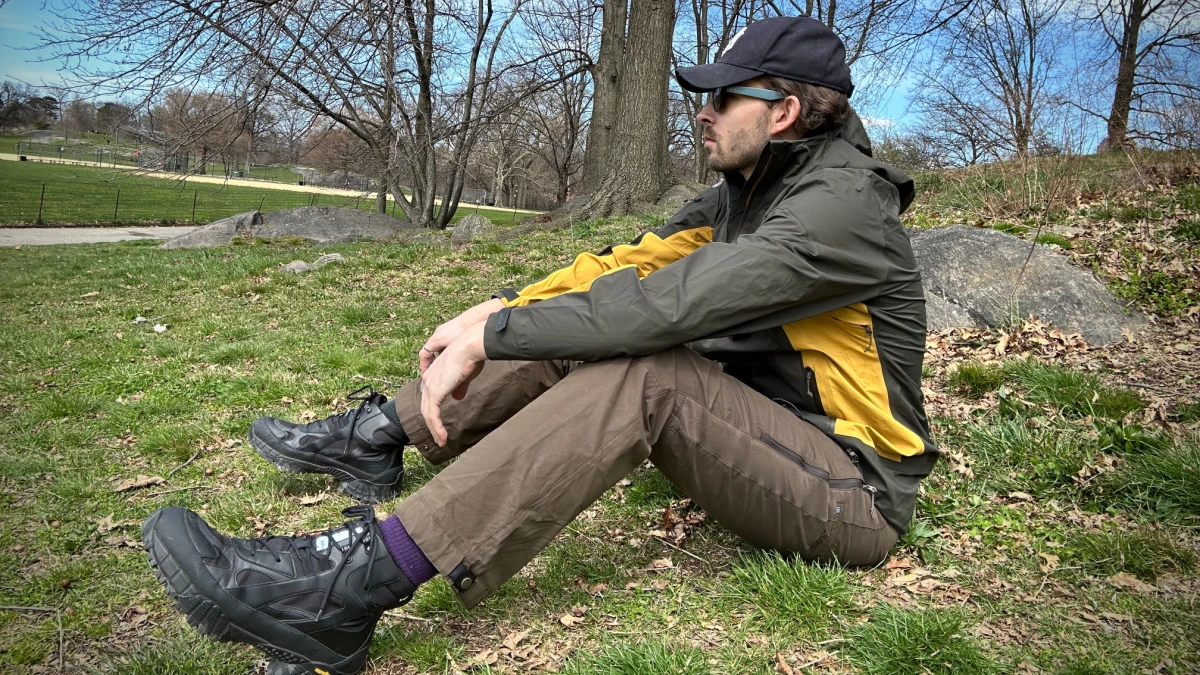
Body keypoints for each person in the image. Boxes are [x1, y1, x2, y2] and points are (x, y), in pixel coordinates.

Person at [141, 16, 936, 675]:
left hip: (850, 492)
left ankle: (350, 588)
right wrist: (503, 309)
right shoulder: (746, 191)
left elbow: (675, 304)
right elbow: (625, 268)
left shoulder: (844, 211)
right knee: (582, 327)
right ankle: (382, 434)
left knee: (647, 373)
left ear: (784, 110)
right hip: (762, 437)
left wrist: (495, 334)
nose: (702, 110)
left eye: (720, 97)